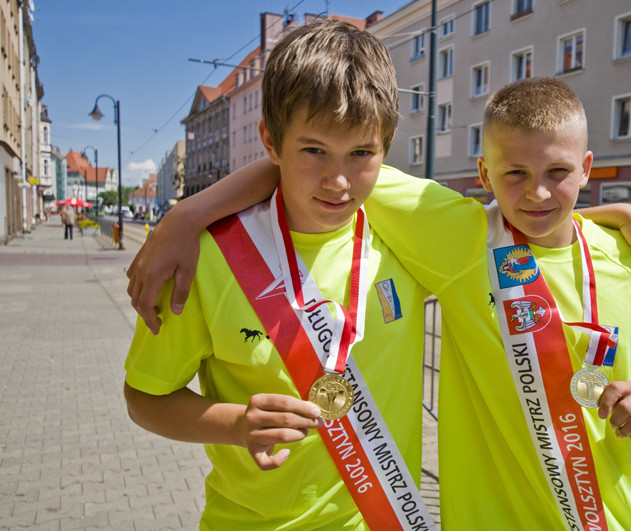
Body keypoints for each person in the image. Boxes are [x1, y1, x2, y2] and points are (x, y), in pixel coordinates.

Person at [127, 77, 631, 529]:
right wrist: (186, 215)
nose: (537, 192)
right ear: (486, 175)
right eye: (515, 173)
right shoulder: (459, 239)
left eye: (558, 173)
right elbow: (313, 158)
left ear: (586, 168)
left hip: (623, 518)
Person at [123, 21, 440, 529]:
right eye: (313, 150)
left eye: (361, 153)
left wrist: (614, 218)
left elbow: (526, 218)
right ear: (270, 141)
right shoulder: (205, 257)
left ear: (386, 144)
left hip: (386, 517)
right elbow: (143, 396)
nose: (338, 181)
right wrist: (235, 424)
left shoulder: (407, 232)